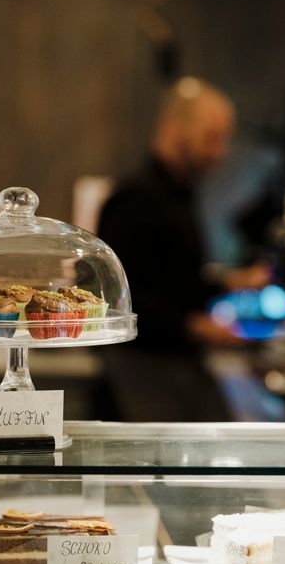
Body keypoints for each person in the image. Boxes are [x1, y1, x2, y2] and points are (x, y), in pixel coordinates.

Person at [98, 77, 269, 422]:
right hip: (144, 371)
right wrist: (195, 327)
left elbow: (175, 281)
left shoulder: (180, 194)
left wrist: (229, 282)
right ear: (174, 130)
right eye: (211, 138)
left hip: (180, 365)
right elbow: (115, 299)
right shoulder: (134, 200)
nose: (220, 153)